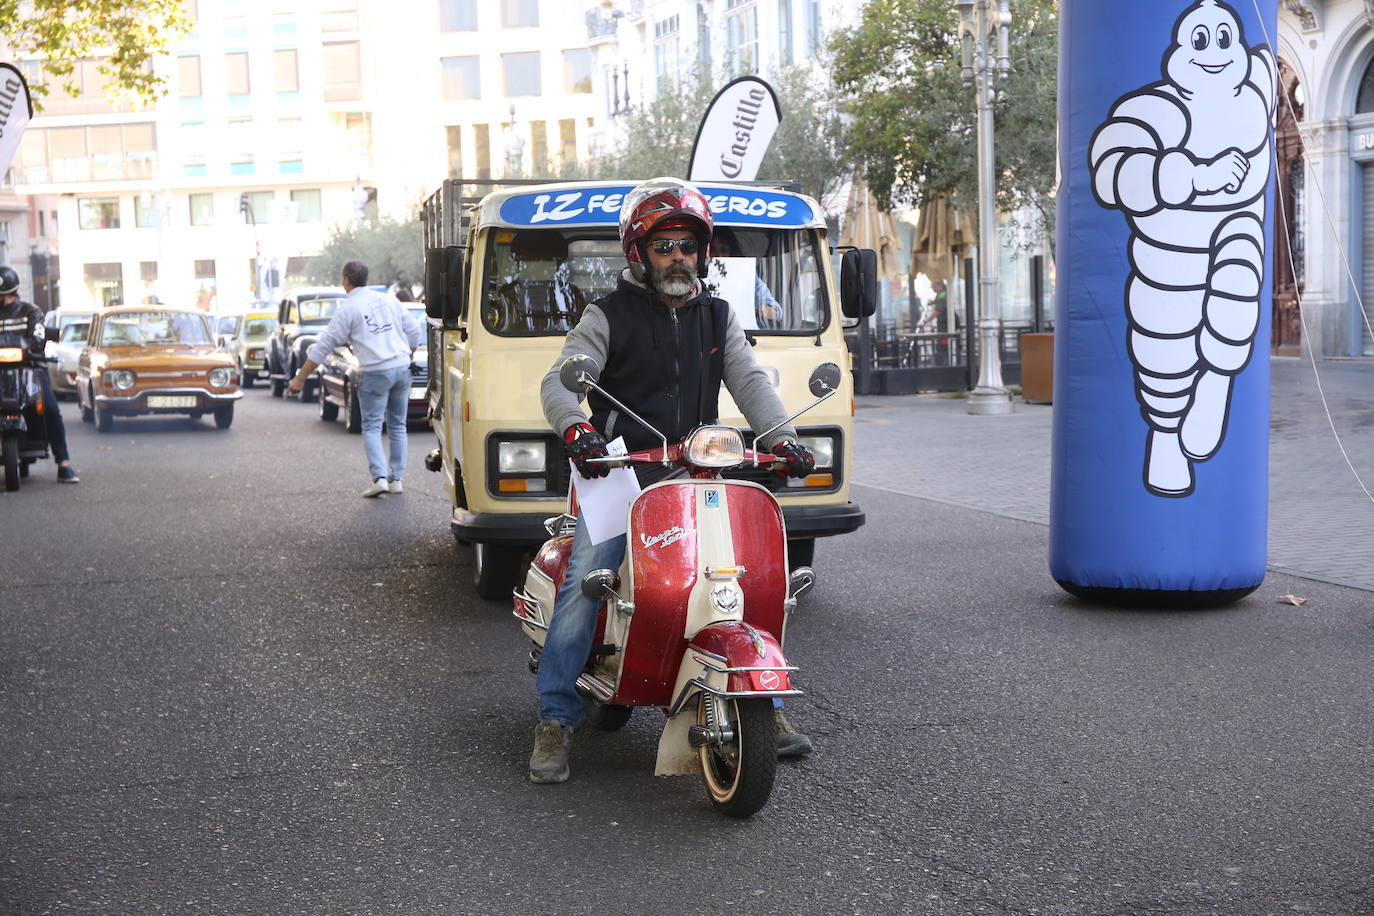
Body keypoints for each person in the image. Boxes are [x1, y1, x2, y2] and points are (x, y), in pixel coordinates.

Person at [529, 177, 818, 785]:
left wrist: (783, 439)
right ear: (639, 252)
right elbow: (559, 381)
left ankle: (754, 694)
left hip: (696, 467)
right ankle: (556, 718)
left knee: (741, 577)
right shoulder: (606, 316)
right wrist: (576, 430)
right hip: (618, 470)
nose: (679, 257)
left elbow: (750, 382)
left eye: (688, 245)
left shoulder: (717, 315)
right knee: (588, 580)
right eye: (665, 247)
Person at [287, 261, 421, 498]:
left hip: (375, 371)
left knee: (371, 426)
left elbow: (323, 346)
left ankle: (379, 478)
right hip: (401, 367)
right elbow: (414, 331)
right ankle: (397, 479)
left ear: (346, 280)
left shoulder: (348, 309)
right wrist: (407, 353)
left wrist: (300, 377)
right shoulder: (390, 300)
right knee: (398, 425)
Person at [0, 266, 79, 483]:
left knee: (51, 409)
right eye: (0, 296)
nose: (3, 300)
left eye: (6, 295)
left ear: (15, 292)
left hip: (30, 372)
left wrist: (33, 348)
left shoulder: (30, 311)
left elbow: (38, 335)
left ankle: (64, 464)